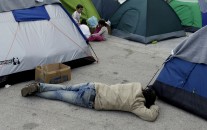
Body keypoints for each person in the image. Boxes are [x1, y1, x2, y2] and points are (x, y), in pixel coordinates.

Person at [21, 82, 159, 121]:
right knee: (60, 95)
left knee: (66, 87)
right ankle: (36, 93)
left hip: (94, 85)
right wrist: (154, 106)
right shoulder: (136, 105)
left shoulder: (136, 85)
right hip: (91, 99)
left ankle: (39, 86)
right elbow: (150, 116)